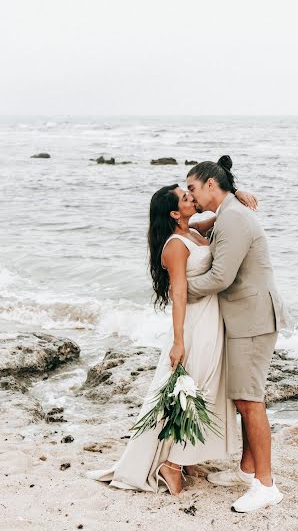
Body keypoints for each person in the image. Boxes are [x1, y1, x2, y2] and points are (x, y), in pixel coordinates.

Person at [86, 173, 257, 496]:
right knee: (194, 388)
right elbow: (179, 294)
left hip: (210, 320)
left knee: (198, 389)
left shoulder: (192, 231)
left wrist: (237, 192)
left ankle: (184, 456)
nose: (192, 199)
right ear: (175, 214)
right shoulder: (176, 246)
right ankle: (171, 464)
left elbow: (222, 215)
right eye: (185, 198)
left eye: (189, 194)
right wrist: (179, 342)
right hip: (194, 325)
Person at [186, 155, 287, 513]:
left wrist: (180, 289)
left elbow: (220, 278)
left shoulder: (234, 218)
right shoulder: (227, 214)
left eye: (193, 188)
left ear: (211, 185)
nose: (190, 194)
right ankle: (248, 471)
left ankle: (266, 484)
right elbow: (200, 225)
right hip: (245, 317)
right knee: (243, 398)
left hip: (254, 319)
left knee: (249, 400)